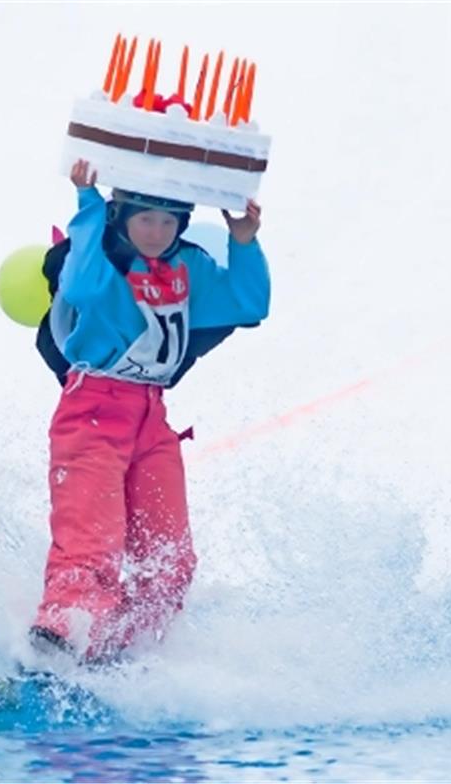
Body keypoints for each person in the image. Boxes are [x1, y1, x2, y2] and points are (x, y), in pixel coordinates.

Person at [30, 158, 270, 665]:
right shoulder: (105, 260)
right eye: (145, 219)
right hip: (93, 410)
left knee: (169, 559)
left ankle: (124, 649)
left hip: (151, 419)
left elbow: (248, 304)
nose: (157, 232)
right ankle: (58, 643)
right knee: (92, 544)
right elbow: (80, 287)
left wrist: (244, 242)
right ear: (121, 217)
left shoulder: (188, 266)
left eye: (168, 221)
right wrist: (89, 203)